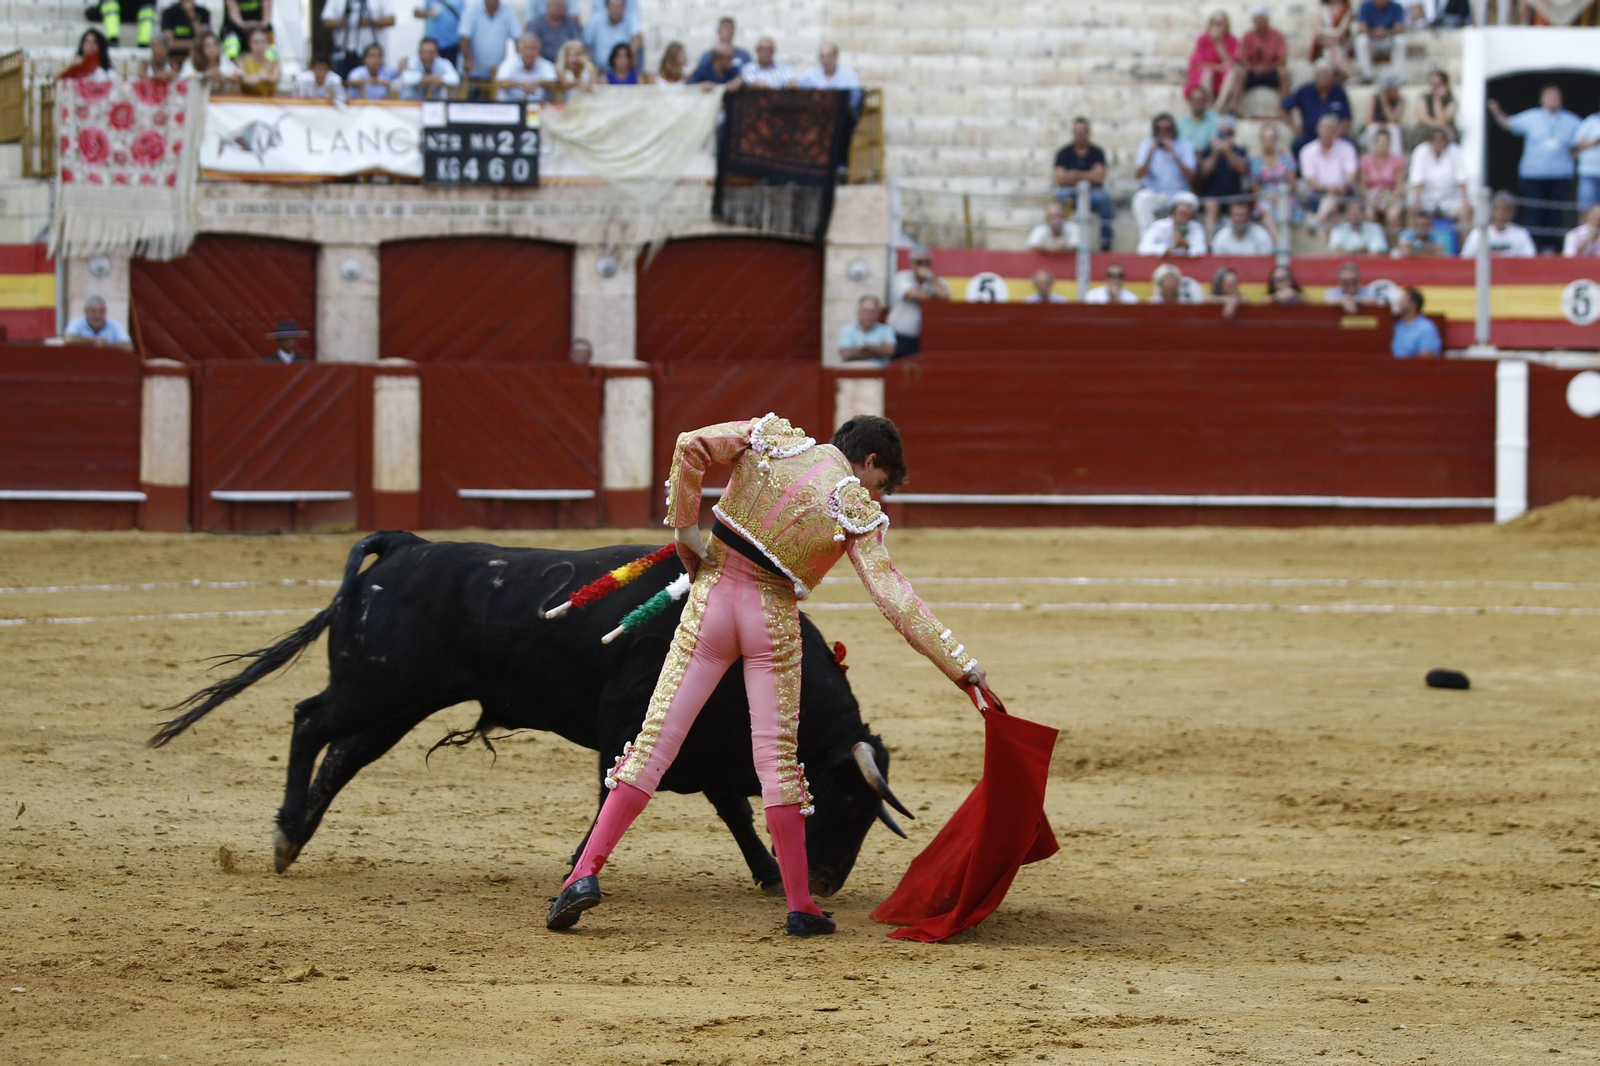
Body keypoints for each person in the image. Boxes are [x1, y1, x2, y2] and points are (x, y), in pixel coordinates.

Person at [545, 414, 989, 938]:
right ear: (871, 460)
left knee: (653, 743)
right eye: (882, 482)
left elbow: (691, 444)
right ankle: (800, 906)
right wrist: (962, 668)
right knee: (776, 760)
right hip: (770, 619)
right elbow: (895, 598)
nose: (877, 494)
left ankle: (583, 874)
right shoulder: (854, 506)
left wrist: (685, 530)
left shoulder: (773, 440)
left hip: (711, 603)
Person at [1489, 86, 1582, 254]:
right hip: (1533, 175)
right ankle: (1533, 248)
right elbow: (1509, 124)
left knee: (1555, 214)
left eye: (1556, 96)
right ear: (1542, 100)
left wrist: (1575, 154)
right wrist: (1496, 111)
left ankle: (1551, 248)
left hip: (1560, 175)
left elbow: (1584, 140)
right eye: (1550, 96)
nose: (1553, 99)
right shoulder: (1531, 117)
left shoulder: (1572, 120)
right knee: (1533, 213)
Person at [1051, 117, 1113, 251]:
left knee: (1104, 200)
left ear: (1088, 132)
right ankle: (1062, 239)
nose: (1080, 134)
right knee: (1060, 199)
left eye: (1083, 130)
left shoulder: (1097, 152)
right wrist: (1088, 175)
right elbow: (1059, 178)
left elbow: (1099, 177)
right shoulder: (1064, 152)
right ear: (1073, 132)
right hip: (1070, 193)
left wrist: (1074, 174)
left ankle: (1106, 239)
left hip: (1093, 193)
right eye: (1077, 131)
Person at [1132, 113, 1198, 233]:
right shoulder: (1147, 144)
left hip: (1178, 194)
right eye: (1160, 129)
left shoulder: (1185, 145)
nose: (1164, 132)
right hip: (1155, 193)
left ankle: (1183, 238)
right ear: (1155, 131)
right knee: (1140, 199)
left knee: (1190, 200)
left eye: (1168, 129)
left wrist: (1173, 153)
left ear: (1173, 129)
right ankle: (1147, 239)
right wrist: (1150, 153)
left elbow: (1191, 175)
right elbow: (1138, 175)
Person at [887, 246, 951, 358]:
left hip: (927, 340)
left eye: (927, 262)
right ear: (912, 263)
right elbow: (914, 294)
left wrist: (929, 278)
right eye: (919, 262)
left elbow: (944, 296)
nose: (923, 266)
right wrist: (933, 297)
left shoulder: (937, 281)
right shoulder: (902, 277)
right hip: (900, 338)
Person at [1299, 114, 1360, 231]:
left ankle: (1319, 219)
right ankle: (1324, 221)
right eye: (1325, 129)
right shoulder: (1307, 150)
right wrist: (1328, 189)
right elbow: (1310, 179)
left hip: (1344, 192)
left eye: (1331, 129)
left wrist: (1343, 187)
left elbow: (1351, 176)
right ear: (1318, 129)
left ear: (1337, 131)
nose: (1328, 132)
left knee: (1335, 199)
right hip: (1318, 194)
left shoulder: (1347, 148)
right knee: (1332, 202)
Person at [1281, 60, 1352, 156]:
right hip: (1310, 135)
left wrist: (1337, 135)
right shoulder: (1304, 91)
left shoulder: (1339, 92)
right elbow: (1283, 108)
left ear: (1332, 76)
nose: (1323, 78)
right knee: (1297, 145)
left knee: (1351, 145)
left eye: (1326, 75)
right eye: (1320, 75)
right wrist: (1295, 128)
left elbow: (1346, 118)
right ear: (1314, 76)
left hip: (1334, 136)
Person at [1196, 113, 1250, 234]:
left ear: (1233, 134)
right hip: (1213, 194)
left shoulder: (1239, 150)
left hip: (1234, 194)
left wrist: (1228, 152)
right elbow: (1204, 172)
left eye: (1228, 133)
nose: (1225, 136)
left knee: (1238, 208)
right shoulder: (1208, 150)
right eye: (1222, 133)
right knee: (1211, 206)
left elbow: (1242, 169)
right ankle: (1210, 242)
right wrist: (1215, 153)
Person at [1408, 124, 1471, 228]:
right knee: (1413, 209)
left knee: (1466, 210)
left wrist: (1465, 200)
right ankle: (1410, 238)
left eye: (1441, 139)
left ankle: (1466, 239)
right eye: (1435, 139)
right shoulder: (1420, 151)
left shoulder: (1454, 151)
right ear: (1430, 140)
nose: (1438, 142)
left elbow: (1461, 178)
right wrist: (1417, 200)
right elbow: (1417, 179)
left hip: (1451, 200)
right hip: (1426, 200)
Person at [1250, 122, 1299, 242]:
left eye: (1271, 138)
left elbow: (1292, 183)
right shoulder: (1255, 160)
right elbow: (1254, 186)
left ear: (1276, 140)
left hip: (1284, 194)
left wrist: (1280, 195)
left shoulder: (1286, 157)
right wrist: (1267, 195)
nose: (1268, 142)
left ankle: (1281, 243)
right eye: (1266, 139)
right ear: (1261, 140)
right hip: (1265, 195)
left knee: (1284, 207)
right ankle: (1280, 242)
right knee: (1265, 209)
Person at [321, 0, 395, 77]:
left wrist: (369, 22)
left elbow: (391, 20)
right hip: (344, 52)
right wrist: (345, 21)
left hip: (369, 54)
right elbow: (326, 21)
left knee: (369, 81)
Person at [458, 0, 523, 85]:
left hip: (497, 73)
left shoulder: (508, 11)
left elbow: (518, 38)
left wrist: (519, 63)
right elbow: (464, 36)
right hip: (472, 72)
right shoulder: (472, 9)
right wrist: (468, 59)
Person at [1184, 10, 1237, 108]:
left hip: (1221, 75)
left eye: (1221, 23)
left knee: (1232, 73)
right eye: (1214, 22)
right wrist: (1218, 67)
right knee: (1207, 72)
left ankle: (1219, 106)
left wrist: (1218, 43)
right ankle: (1208, 105)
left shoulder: (1232, 40)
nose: (1217, 26)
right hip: (1206, 73)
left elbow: (1230, 62)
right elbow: (1199, 63)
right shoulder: (1203, 39)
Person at [1235, 5, 1289, 104]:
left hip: (1272, 72)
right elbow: (1243, 58)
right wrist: (1254, 68)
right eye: (1257, 19)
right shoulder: (1248, 36)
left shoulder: (1277, 36)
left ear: (1267, 20)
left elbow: (1282, 58)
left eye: (1261, 19)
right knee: (1240, 73)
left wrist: (1268, 68)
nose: (1259, 22)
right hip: (1253, 72)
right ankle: (1235, 107)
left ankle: (1284, 106)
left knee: (1283, 73)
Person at [1460, 192, 1537, 259]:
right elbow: (1466, 258)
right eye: (1499, 209)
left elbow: (1530, 259)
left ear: (1512, 213)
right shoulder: (1478, 234)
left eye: (1506, 210)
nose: (1502, 214)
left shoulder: (1521, 234)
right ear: (1493, 210)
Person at [1359, 127, 1407, 233]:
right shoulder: (1366, 161)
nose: (1382, 145)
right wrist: (1373, 199)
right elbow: (1363, 187)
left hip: (1392, 197)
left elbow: (1400, 187)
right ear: (1374, 144)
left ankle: (1394, 242)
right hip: (1372, 197)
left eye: (1385, 142)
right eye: (1379, 142)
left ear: (1390, 144)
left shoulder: (1398, 161)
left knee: (1393, 215)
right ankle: (1373, 241)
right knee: (1369, 214)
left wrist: (1388, 198)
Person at [1137, 191, 1208, 257]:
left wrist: (1185, 244)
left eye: (1186, 214)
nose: (1182, 218)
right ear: (1173, 211)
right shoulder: (1159, 226)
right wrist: (1168, 249)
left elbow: (1202, 250)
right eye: (1181, 213)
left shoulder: (1196, 227)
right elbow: (1143, 248)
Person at [1354, 0, 1406, 84]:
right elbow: (1361, 27)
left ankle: (1398, 76)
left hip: (1388, 39)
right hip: (1372, 40)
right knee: (1362, 40)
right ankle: (1366, 76)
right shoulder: (1365, 6)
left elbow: (1400, 27)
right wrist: (1373, 32)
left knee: (1400, 40)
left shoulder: (1397, 7)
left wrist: (1386, 32)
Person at [583, 0, 640, 75]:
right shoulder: (596, 20)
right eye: (614, 6)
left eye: (619, 7)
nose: (616, 10)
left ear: (624, 8)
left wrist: (628, 56)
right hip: (600, 70)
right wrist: (589, 66)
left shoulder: (630, 19)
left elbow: (637, 38)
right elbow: (585, 44)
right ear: (607, 7)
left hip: (622, 72)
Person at [496, 32, 555, 100]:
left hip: (538, 104)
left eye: (533, 48)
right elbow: (501, 83)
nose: (529, 52)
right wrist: (522, 84)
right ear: (519, 50)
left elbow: (552, 84)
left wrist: (536, 83)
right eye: (526, 48)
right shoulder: (509, 63)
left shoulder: (546, 65)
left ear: (539, 50)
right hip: (511, 104)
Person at [838, 296, 897, 363]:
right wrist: (879, 351)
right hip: (854, 368)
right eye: (865, 311)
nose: (868, 314)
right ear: (858, 312)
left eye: (872, 311)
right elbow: (846, 354)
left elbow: (889, 351)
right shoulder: (847, 329)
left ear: (878, 313)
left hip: (878, 369)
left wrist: (862, 347)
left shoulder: (886, 329)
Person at [691, 15, 751, 79]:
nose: (728, 31)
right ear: (718, 31)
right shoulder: (707, 56)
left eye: (731, 28)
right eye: (725, 28)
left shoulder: (743, 55)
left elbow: (751, 75)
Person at [1390, 287, 1441, 358]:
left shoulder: (1426, 328)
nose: (1399, 303)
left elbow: (1426, 358)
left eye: (1402, 300)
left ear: (1413, 304)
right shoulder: (1397, 326)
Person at [63, 296, 132, 348]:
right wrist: (93, 341)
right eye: (93, 311)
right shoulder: (77, 323)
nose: (97, 315)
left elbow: (128, 346)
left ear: (105, 312)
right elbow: (68, 339)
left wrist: (107, 345)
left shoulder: (113, 324)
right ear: (86, 312)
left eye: (101, 311)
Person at [1310, 0, 1354, 80]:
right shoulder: (1322, 8)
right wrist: (1327, 37)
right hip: (1326, 44)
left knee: (1333, 51)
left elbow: (1341, 32)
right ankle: (1352, 75)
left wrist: (1329, 38)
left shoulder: (1346, 8)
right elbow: (1319, 30)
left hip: (1341, 43)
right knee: (1331, 51)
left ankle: (1352, 76)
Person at [527, 0, 580, 65]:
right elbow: (531, 45)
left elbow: (577, 45)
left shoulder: (571, 24)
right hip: (542, 64)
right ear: (547, 6)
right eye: (553, 5)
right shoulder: (537, 24)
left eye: (558, 6)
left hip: (567, 63)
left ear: (565, 8)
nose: (556, 8)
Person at [1363, 71, 1406, 152]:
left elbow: (1394, 120)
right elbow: (1368, 121)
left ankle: (1395, 157)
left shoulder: (1400, 101)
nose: (1397, 90)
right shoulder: (1373, 99)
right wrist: (1381, 125)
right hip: (1376, 127)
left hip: (1389, 127)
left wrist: (1385, 103)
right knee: (1372, 129)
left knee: (1394, 129)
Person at [1415, 68, 1457, 147]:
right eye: (1432, 84)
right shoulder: (1424, 98)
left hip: (1444, 132)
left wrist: (1437, 100)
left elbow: (1444, 119)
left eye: (1437, 84)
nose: (1434, 87)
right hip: (1427, 129)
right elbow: (1423, 118)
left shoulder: (1451, 101)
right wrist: (1439, 124)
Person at [1177, 84, 1220, 157]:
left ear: (1206, 101)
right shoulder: (1182, 123)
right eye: (1195, 100)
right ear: (1190, 101)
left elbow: (1212, 142)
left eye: (1201, 100)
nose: (1198, 103)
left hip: (1205, 156)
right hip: (1184, 157)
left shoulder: (1214, 120)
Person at [1573, 102, 1600, 213]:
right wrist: (1595, 142)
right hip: (1589, 173)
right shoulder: (1591, 121)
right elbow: (1577, 142)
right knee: (1586, 211)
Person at [238, 26, 280, 95]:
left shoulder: (275, 63)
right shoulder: (243, 60)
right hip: (246, 99)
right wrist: (260, 76)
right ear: (250, 44)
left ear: (268, 43)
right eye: (256, 42)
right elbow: (244, 79)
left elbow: (273, 79)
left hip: (268, 100)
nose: (260, 45)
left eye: (263, 41)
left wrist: (264, 77)